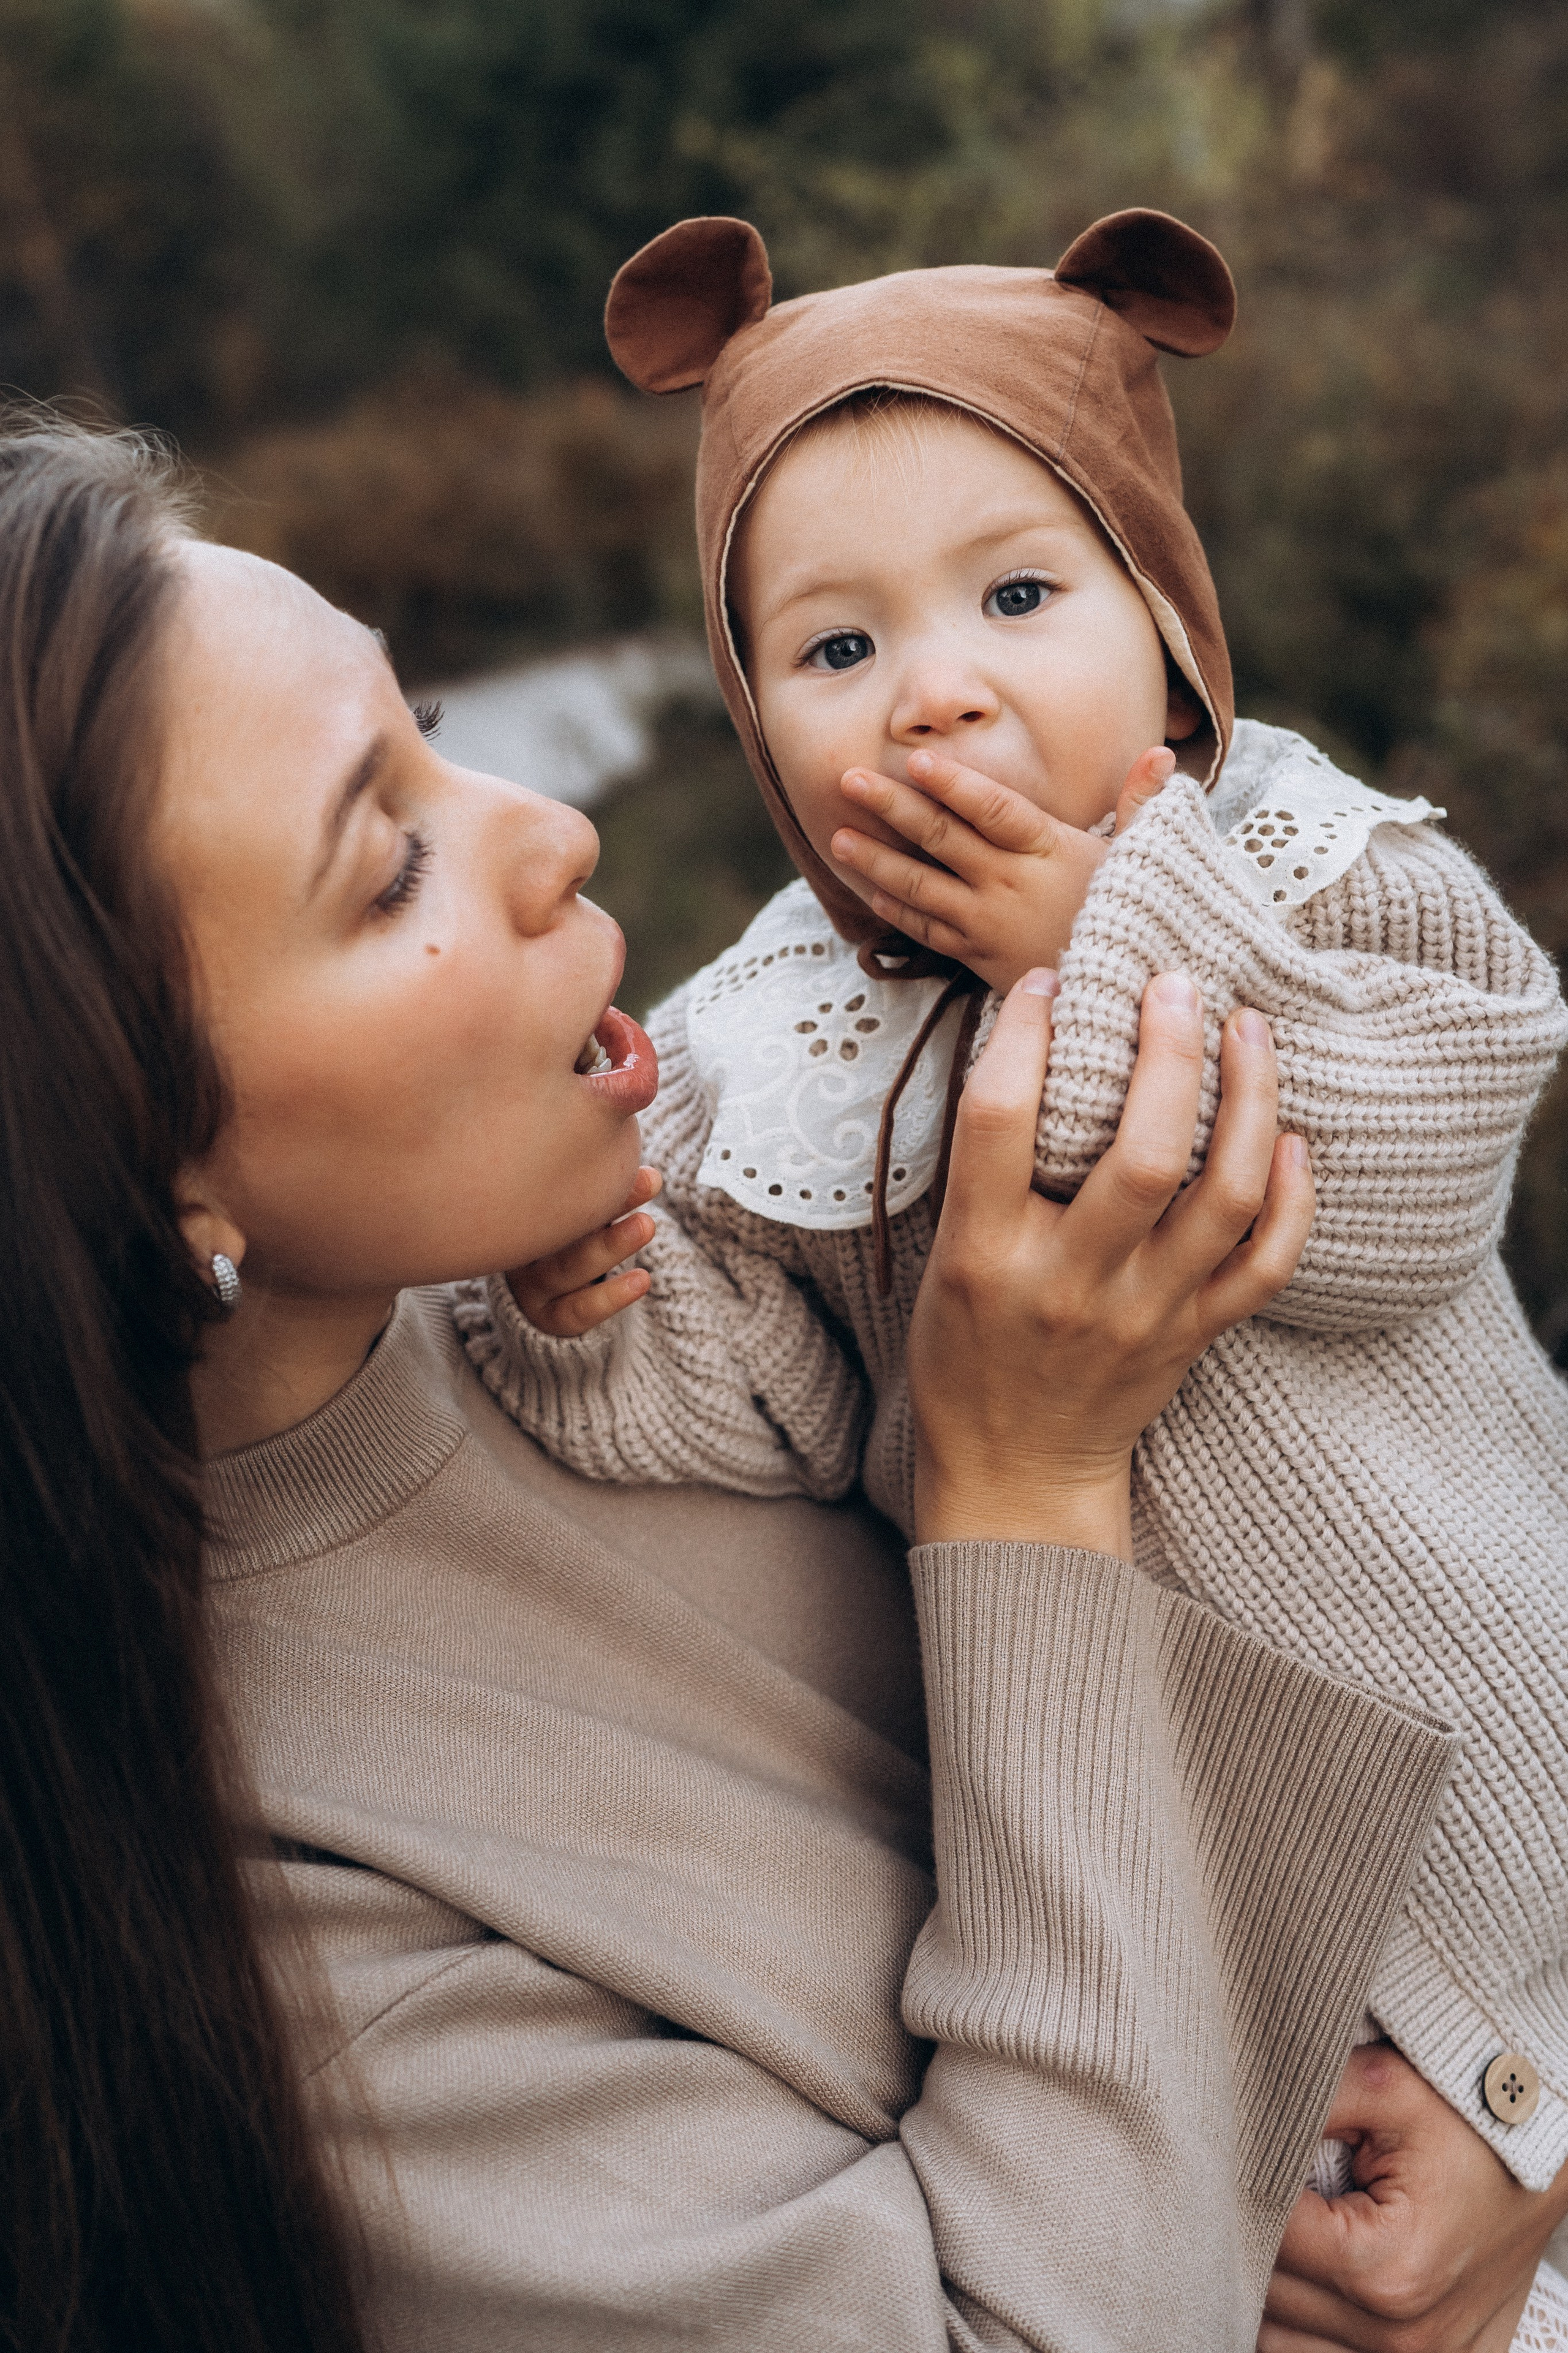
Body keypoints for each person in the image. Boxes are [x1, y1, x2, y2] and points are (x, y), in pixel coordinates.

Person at [0, 418, 1531, 2352]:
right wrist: (1022, 1481)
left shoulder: (685, 1223)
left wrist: (1531, 2104)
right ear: (140, 1150)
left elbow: (1460, 1538)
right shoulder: (289, 1946)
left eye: (438, 723)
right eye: (388, 864)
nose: (550, 830)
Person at [467, 213, 1568, 2340]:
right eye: (837, 650)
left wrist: (1112, 937)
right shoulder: (767, 1039)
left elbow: (1408, 1176)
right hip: (1204, 1926)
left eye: (1020, 595)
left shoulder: (1312, 869)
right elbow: (762, 1403)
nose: (938, 688)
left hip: (1510, 1797)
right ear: (757, 727)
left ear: (1168, 629)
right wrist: (590, 1289)